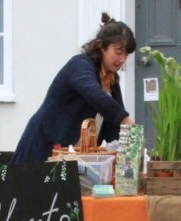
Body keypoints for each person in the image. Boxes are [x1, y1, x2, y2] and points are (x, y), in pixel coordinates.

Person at [11, 13, 136, 164]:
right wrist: (124, 118)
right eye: (118, 52)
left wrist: (128, 152)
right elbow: (94, 95)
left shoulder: (112, 80)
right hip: (43, 149)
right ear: (101, 46)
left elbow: (113, 128)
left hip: (74, 160)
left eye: (126, 54)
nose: (122, 59)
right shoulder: (80, 66)